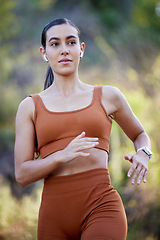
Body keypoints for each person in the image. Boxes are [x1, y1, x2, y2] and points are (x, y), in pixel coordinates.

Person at [14, 18, 152, 240]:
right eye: (55, 44)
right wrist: (61, 156)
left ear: (81, 49)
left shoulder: (108, 96)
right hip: (53, 216)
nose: (64, 50)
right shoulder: (29, 107)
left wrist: (144, 154)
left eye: (70, 42)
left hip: (102, 206)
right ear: (44, 52)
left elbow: (140, 135)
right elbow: (22, 174)